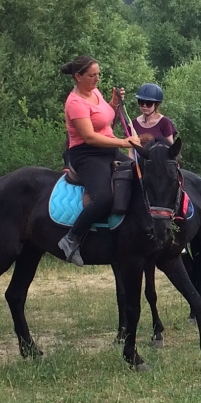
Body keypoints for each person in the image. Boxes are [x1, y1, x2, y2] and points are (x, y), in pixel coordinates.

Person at [57, 56, 142, 266]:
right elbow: (89, 137)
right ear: (78, 77)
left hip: (107, 148)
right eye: (92, 75)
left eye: (98, 75)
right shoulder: (75, 103)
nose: (97, 79)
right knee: (103, 198)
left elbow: (103, 120)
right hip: (86, 154)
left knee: (141, 175)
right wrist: (124, 142)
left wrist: (113, 103)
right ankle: (71, 238)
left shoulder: (94, 92)